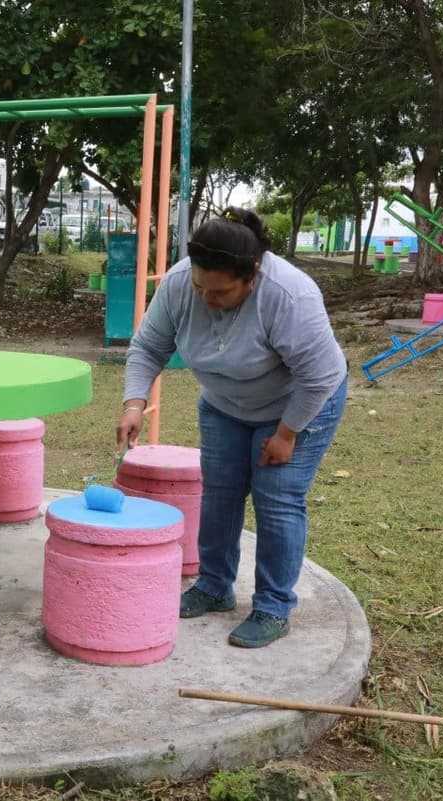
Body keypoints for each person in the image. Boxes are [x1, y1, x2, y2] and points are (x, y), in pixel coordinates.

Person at [116, 207, 347, 649]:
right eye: (201, 286)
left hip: (296, 404)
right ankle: (215, 585)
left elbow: (318, 377)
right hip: (225, 405)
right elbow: (148, 347)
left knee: (277, 499)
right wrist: (134, 403)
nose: (206, 298)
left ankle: (273, 608)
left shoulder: (289, 295)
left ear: (252, 275)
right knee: (219, 493)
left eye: (220, 292)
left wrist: (286, 434)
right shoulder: (183, 283)